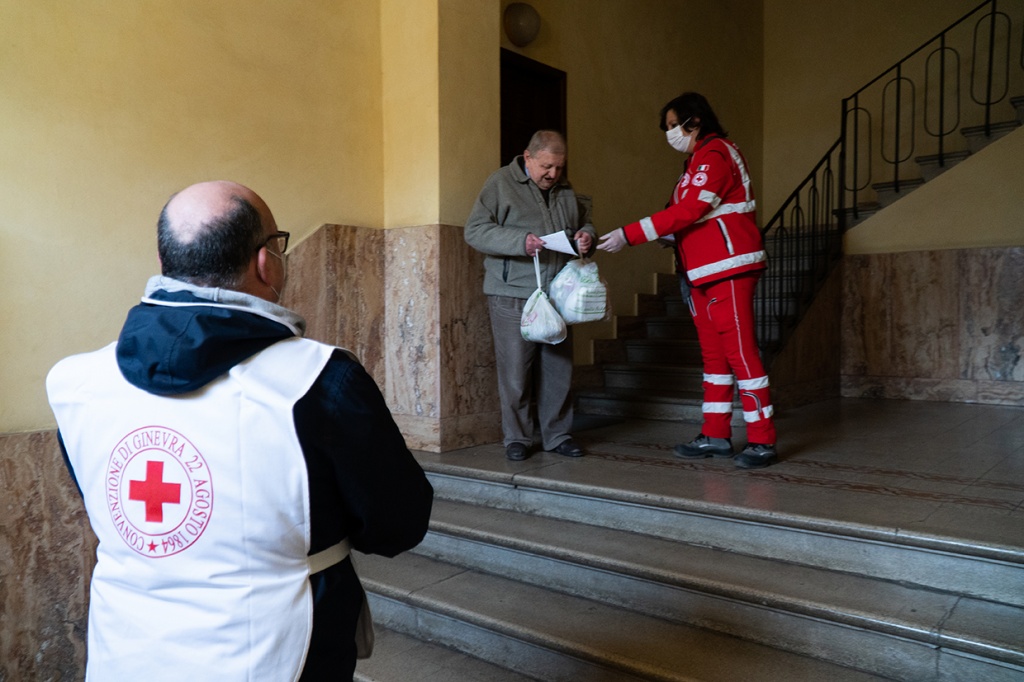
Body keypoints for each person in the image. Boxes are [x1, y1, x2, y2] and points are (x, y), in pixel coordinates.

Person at [46, 181, 434, 680]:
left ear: (165, 264)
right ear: (266, 262)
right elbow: (397, 522)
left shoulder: (76, 382)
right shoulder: (318, 380)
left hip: (126, 648)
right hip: (280, 652)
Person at [597, 92, 778, 469]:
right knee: (714, 358)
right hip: (701, 271)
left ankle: (762, 440)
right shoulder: (695, 162)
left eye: (672, 125)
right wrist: (664, 234)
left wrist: (628, 234)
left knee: (741, 354)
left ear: (693, 122)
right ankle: (715, 434)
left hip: (729, 267)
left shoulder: (715, 154)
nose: (670, 134)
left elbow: (692, 209)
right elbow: (683, 215)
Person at [465, 130, 597, 461]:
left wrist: (586, 237)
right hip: (512, 293)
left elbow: (586, 223)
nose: (552, 175)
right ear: (528, 157)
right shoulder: (499, 184)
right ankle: (518, 438)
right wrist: (519, 242)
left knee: (558, 369)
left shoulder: (565, 189)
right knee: (515, 371)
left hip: (558, 293)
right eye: (546, 166)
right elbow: (475, 231)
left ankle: (558, 435)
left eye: (558, 168)